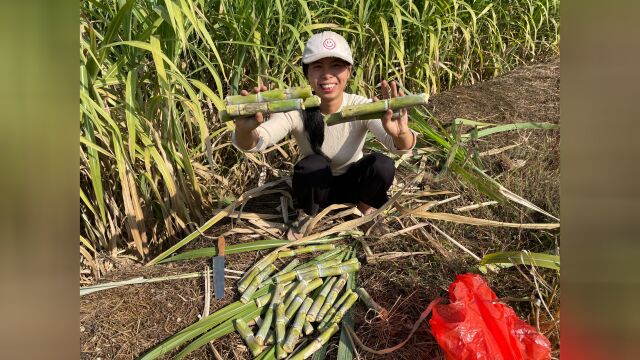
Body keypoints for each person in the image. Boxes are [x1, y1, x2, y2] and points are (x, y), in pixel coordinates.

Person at [232, 31, 417, 239]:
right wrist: (244, 130)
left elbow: (400, 145)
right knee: (313, 164)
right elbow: (259, 139)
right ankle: (307, 214)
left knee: (382, 165)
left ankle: (365, 208)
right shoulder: (296, 109)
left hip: (354, 186)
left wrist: (401, 133)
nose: (327, 75)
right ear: (307, 74)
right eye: (318, 67)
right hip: (315, 189)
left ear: (348, 71)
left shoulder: (361, 107)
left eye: (336, 66)